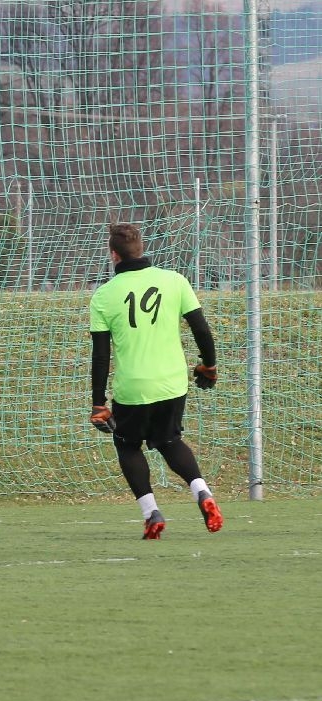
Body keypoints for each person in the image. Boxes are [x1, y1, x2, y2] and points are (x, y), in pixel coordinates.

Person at [88, 222, 224, 540]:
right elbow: (201, 328)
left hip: (133, 387)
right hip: (173, 382)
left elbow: (100, 355)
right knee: (170, 441)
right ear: (141, 248)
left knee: (127, 444)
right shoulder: (174, 281)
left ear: (114, 255)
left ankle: (152, 513)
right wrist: (209, 366)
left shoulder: (104, 296)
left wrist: (98, 401)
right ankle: (202, 492)